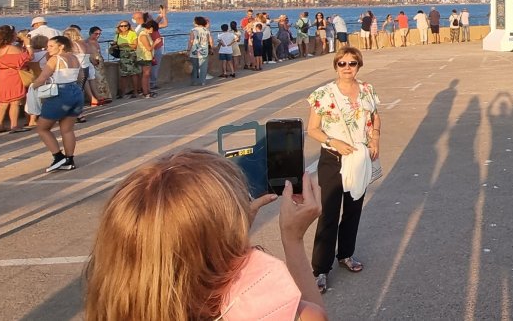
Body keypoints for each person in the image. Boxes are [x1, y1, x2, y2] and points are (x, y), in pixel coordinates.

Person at [83, 149, 327, 321]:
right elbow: (314, 314)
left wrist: (222, 233)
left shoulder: (116, 307)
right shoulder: (286, 314)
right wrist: (292, 240)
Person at [305, 47, 381, 293]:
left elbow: (375, 117)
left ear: (359, 65)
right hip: (333, 159)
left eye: (352, 63)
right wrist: (332, 142)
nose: (347, 67)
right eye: (342, 63)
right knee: (328, 213)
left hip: (359, 158)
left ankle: (346, 254)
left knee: (353, 210)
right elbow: (313, 129)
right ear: (335, 66)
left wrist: (375, 139)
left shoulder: (367, 89)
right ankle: (320, 270)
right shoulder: (323, 94)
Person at [30, 36, 83, 172]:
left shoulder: (55, 59)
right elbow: (80, 77)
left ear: (62, 46)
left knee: (42, 128)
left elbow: (42, 78)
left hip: (61, 94)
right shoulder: (75, 58)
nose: (48, 49)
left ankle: (58, 156)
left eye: (51, 46)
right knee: (67, 129)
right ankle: (69, 160)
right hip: (76, 93)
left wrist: (32, 87)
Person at [113, 20, 141, 98]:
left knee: (134, 74)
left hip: (131, 55)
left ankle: (135, 92)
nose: (124, 27)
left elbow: (135, 46)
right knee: (123, 75)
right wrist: (114, 46)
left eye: (126, 25)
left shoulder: (132, 33)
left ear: (128, 26)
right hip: (122, 55)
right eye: (122, 26)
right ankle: (122, 93)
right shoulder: (117, 35)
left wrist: (126, 44)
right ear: (119, 27)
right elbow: (115, 44)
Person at [187, 16, 213, 86]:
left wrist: (188, 49)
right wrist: (211, 48)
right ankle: (203, 81)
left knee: (195, 67)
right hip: (204, 50)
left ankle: (194, 81)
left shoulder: (193, 30)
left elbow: (191, 41)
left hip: (194, 50)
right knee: (203, 67)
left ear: (197, 22)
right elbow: (209, 40)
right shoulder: (206, 30)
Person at [136, 20, 156, 98]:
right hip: (144, 57)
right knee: (145, 75)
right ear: (150, 28)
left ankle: (148, 90)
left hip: (148, 57)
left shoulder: (147, 34)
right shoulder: (143, 35)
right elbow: (149, 48)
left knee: (147, 75)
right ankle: (145, 92)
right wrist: (155, 43)